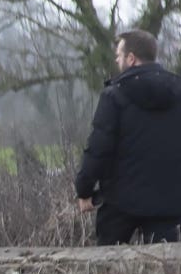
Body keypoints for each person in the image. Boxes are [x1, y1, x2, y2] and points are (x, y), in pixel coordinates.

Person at [75, 29, 181, 245]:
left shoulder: (115, 95)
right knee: (165, 271)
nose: (116, 60)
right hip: (169, 202)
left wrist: (84, 190)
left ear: (131, 59)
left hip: (120, 202)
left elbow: (99, 148)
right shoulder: (178, 91)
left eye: (119, 55)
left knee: (104, 269)